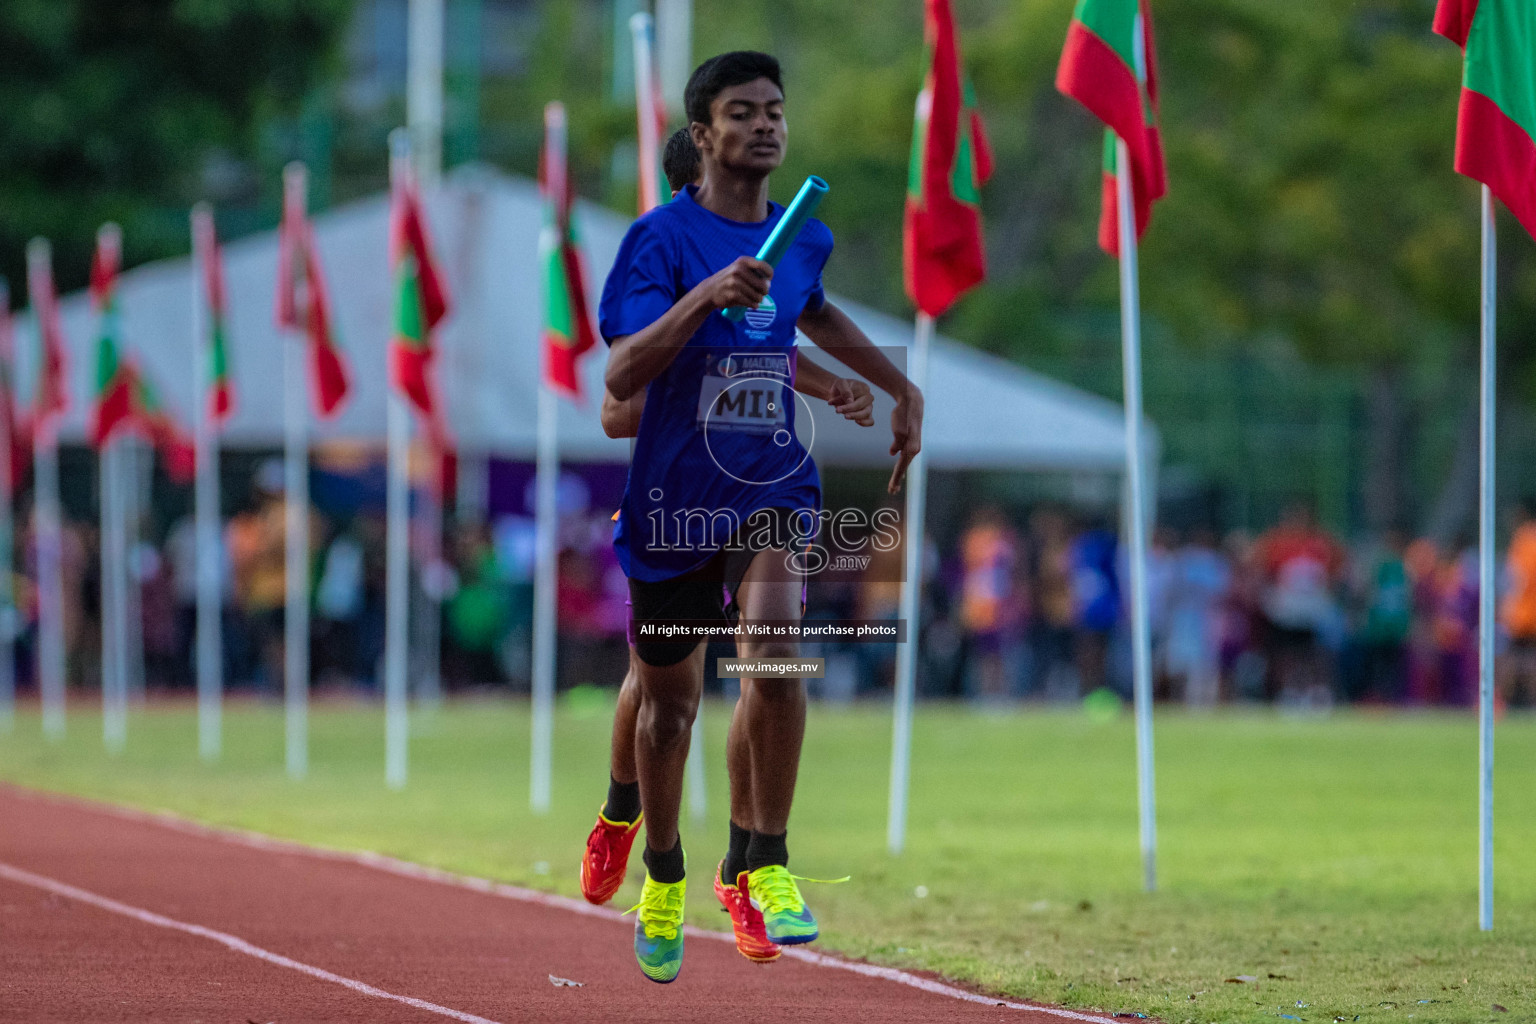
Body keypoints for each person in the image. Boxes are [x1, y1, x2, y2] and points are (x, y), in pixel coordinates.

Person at [594, 51, 923, 983]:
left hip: (773, 482)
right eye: (744, 112)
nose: (767, 125)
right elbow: (619, 380)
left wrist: (897, 387)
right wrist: (706, 294)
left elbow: (807, 317)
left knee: (775, 661)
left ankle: (766, 860)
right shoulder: (656, 242)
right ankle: (661, 872)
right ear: (704, 133)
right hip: (672, 501)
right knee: (668, 706)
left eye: (776, 110)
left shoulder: (800, 237)